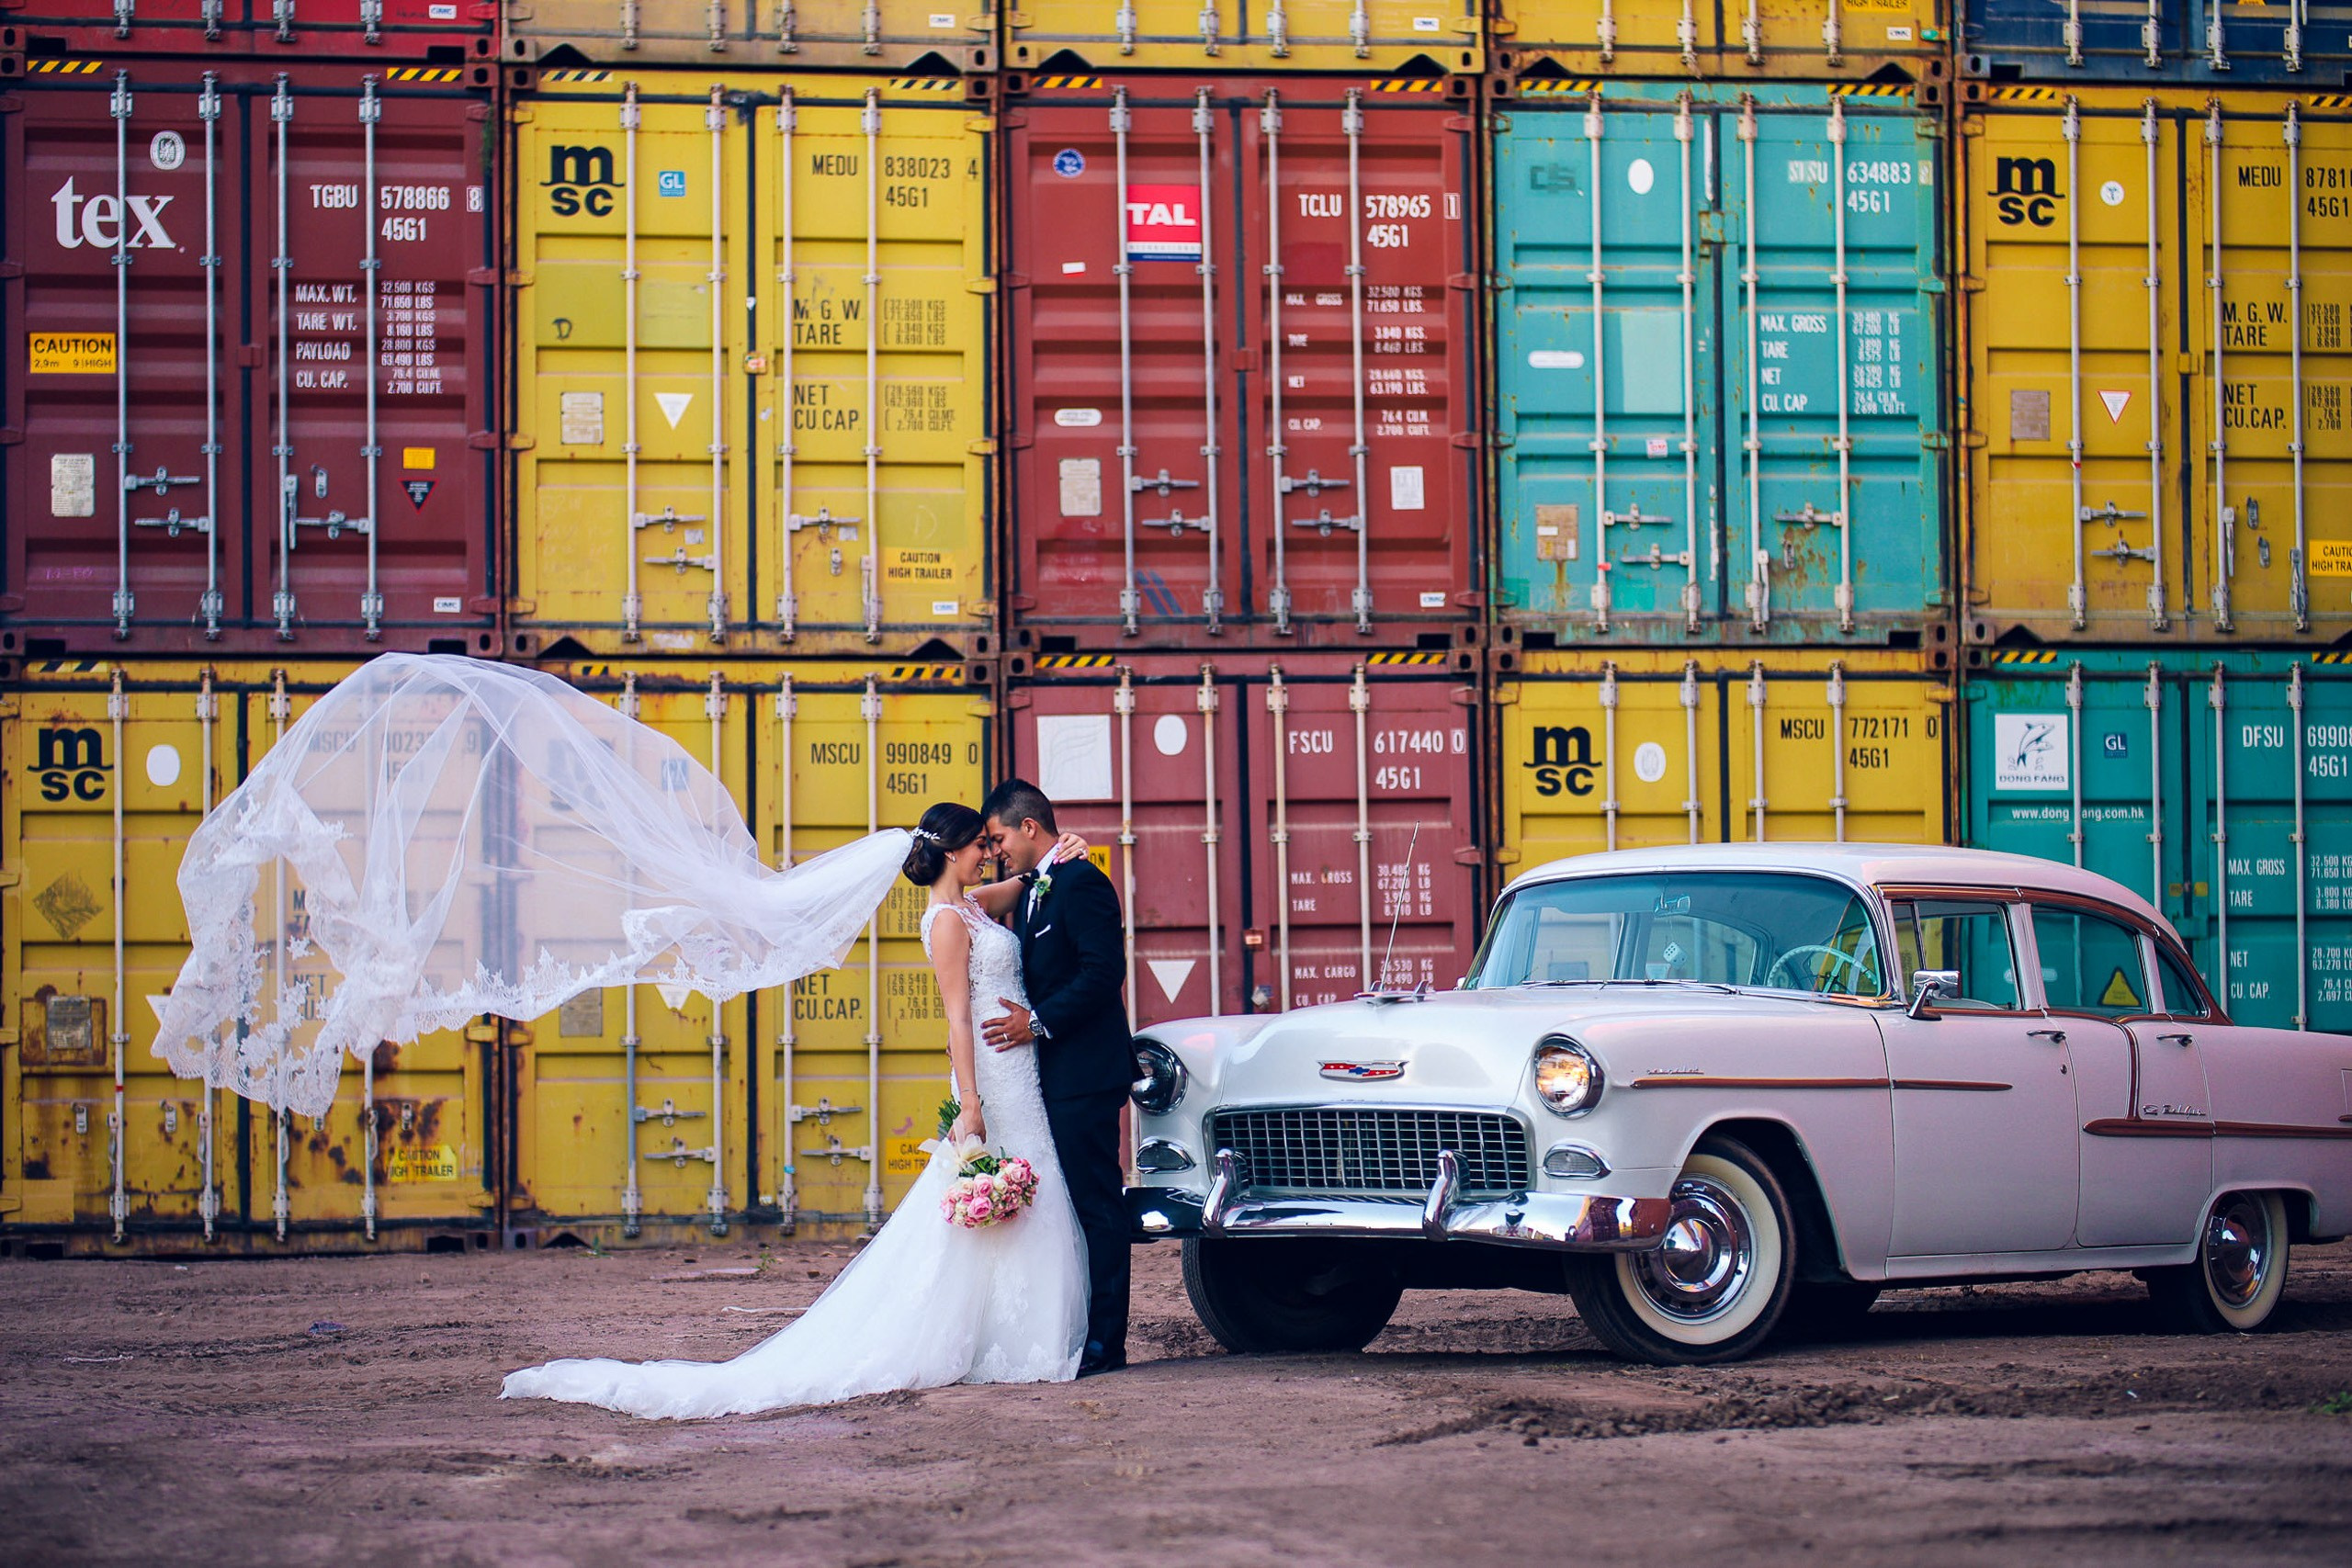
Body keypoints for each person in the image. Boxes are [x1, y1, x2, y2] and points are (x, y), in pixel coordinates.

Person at [499, 804, 1094, 1418]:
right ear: (951, 852)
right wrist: (970, 1102)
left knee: (1025, 1191)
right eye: (977, 845)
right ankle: (1010, 1342)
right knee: (1004, 1192)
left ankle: (1018, 1336)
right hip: (993, 1076)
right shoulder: (946, 919)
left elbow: (1029, 880)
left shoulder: (974, 901)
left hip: (1019, 1068)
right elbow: (956, 1018)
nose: (987, 854)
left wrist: (1059, 852)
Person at [978, 778, 1136, 1378]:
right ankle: (1081, 1330)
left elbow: (1102, 973)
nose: (995, 850)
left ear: (1028, 828)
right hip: (1054, 1076)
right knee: (1072, 1206)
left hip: (1086, 1074)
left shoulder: (1083, 882)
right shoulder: (1040, 884)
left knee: (1098, 1206)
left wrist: (1036, 1022)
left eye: (998, 839)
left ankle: (1106, 1345)